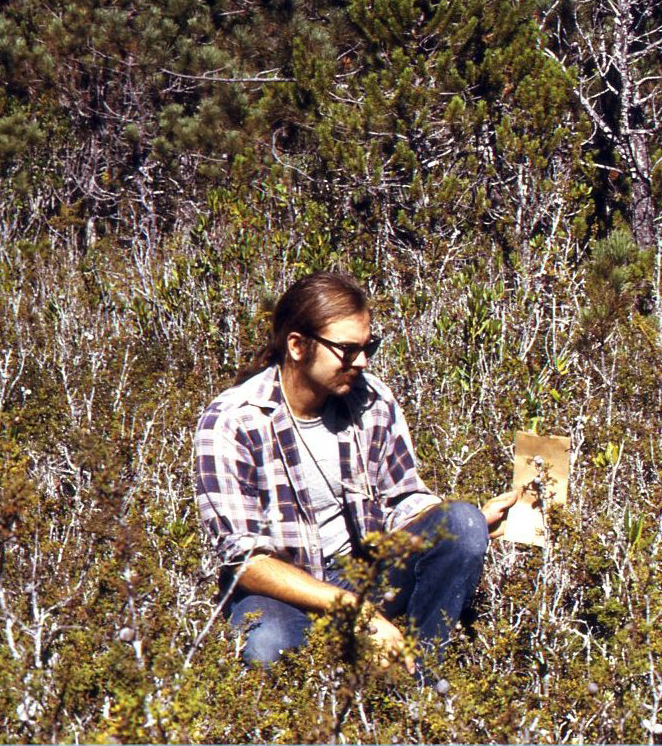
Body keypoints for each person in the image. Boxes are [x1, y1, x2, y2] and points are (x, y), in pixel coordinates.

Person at [194, 270, 516, 671]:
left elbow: (403, 499)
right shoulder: (231, 422)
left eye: (368, 347)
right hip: (284, 590)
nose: (362, 362)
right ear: (297, 345)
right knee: (268, 647)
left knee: (463, 525)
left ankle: (422, 681)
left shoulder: (372, 401)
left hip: (363, 571)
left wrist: (468, 522)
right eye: (347, 349)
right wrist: (354, 609)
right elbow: (246, 562)